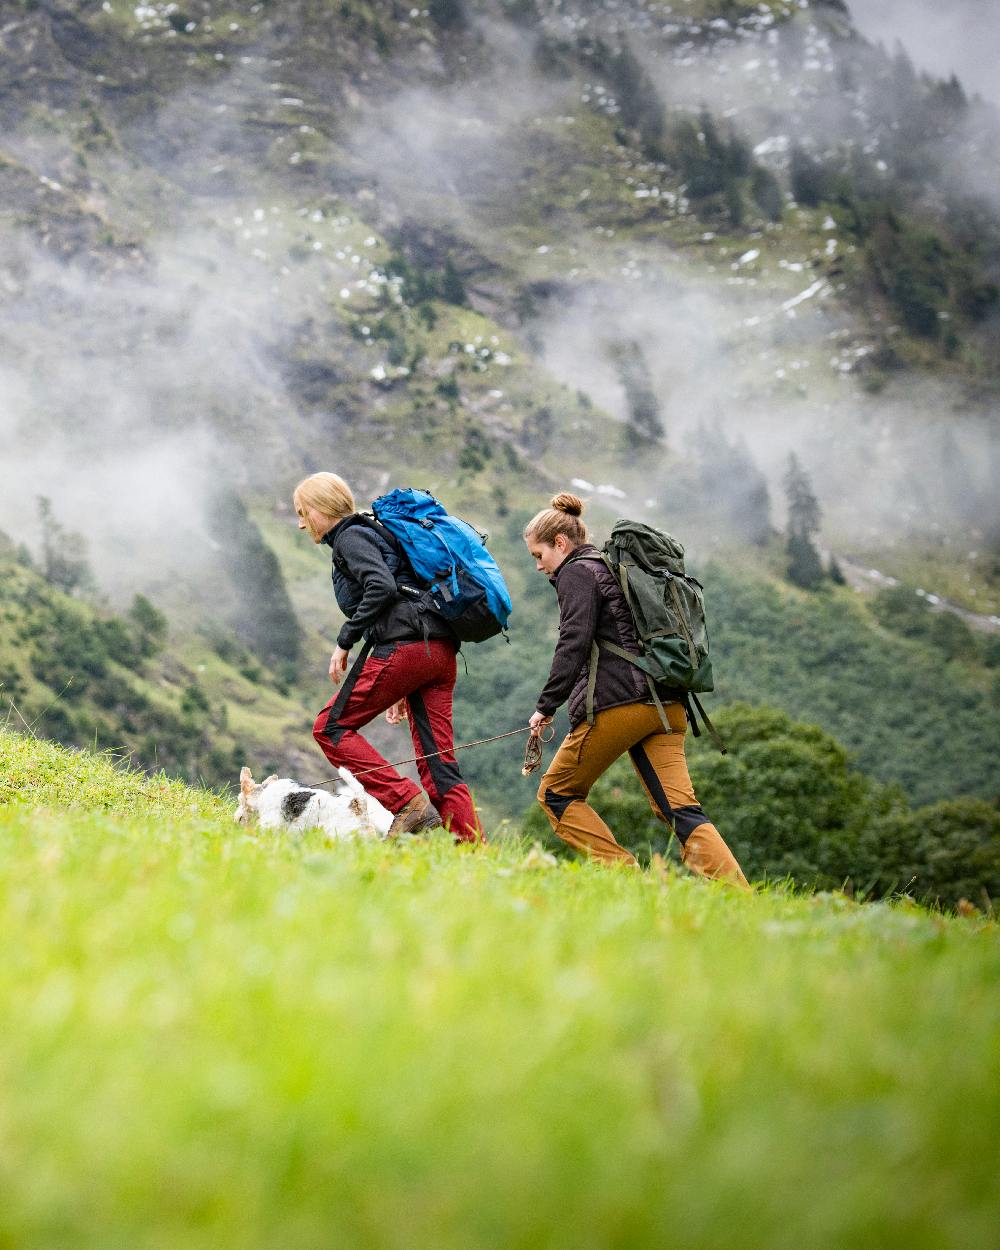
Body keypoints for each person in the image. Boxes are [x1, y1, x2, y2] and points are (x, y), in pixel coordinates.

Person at [524, 492, 748, 885]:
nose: (539, 566)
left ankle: (625, 878)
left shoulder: (577, 571)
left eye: (538, 555)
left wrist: (547, 706)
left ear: (560, 543)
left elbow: (573, 641)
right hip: (668, 703)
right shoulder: (611, 568)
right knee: (681, 809)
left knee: (557, 794)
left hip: (620, 705)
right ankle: (737, 893)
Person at [294, 471, 482, 843]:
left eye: (302, 512)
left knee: (330, 728)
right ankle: (475, 856)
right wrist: (400, 684)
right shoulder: (377, 531)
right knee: (439, 764)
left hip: (405, 647)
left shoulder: (350, 536)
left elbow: (381, 585)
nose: (301, 524)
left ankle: (406, 802)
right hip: (439, 651)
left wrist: (345, 639)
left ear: (320, 508)